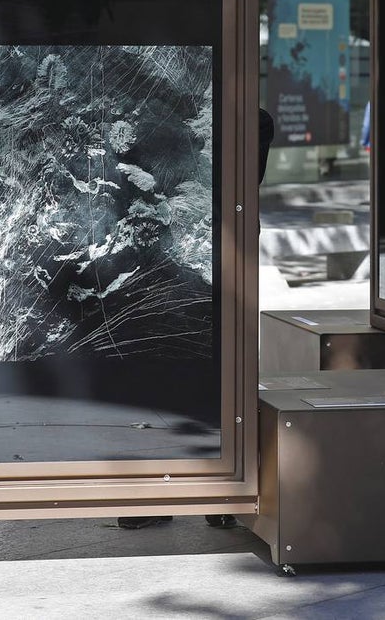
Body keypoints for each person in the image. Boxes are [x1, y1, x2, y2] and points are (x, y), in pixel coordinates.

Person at [119, 107, 275, 532]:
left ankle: (224, 491)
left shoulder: (249, 120)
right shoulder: (157, 118)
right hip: (169, 260)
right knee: (161, 376)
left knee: (226, 381)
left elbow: (240, 184)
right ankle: (155, 491)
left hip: (221, 265)